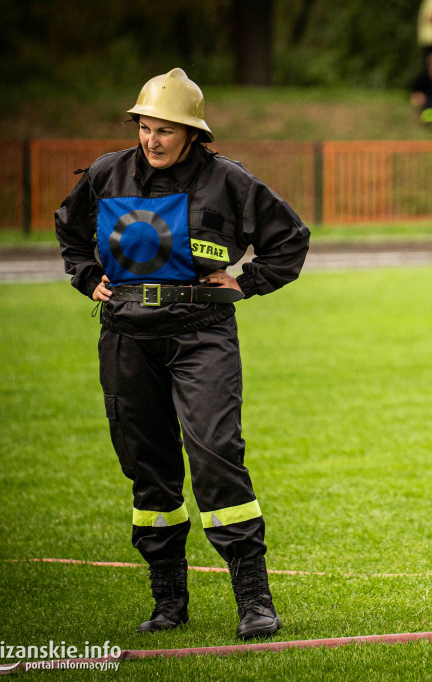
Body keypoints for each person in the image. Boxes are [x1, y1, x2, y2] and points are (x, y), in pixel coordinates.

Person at [54, 68, 310, 640]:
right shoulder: (107, 173)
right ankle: (169, 601)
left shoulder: (230, 181)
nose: (153, 140)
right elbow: (70, 230)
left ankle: (254, 602)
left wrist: (248, 281)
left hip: (202, 334)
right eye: (145, 127)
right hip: (126, 336)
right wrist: (86, 274)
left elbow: (290, 238)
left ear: (192, 133)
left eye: (165, 130)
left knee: (217, 454)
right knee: (149, 471)